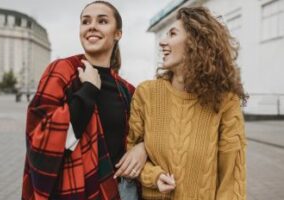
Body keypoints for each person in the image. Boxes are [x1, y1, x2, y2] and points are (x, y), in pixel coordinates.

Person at [21, 1, 144, 199]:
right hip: (72, 190)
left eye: (102, 21)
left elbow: (143, 136)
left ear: (118, 33)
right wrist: (88, 90)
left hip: (117, 191)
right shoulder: (62, 71)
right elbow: (39, 139)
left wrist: (142, 148)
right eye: (85, 21)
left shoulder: (127, 90)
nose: (92, 26)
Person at [127, 7, 248, 200]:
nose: (163, 42)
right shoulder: (147, 94)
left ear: (196, 42)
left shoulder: (225, 101)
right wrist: (153, 176)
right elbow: (130, 152)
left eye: (172, 34)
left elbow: (231, 179)